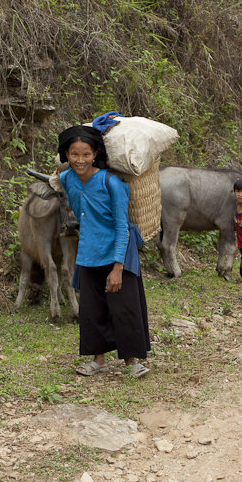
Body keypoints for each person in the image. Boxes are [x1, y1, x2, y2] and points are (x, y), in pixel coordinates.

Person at [57, 125, 151, 378]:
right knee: (92, 309)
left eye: (86, 154)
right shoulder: (67, 179)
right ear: (66, 154)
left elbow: (122, 227)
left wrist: (118, 267)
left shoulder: (112, 183)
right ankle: (98, 360)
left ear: (95, 154)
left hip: (117, 252)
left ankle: (132, 362)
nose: (80, 160)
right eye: (74, 154)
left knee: (124, 307)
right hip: (88, 252)